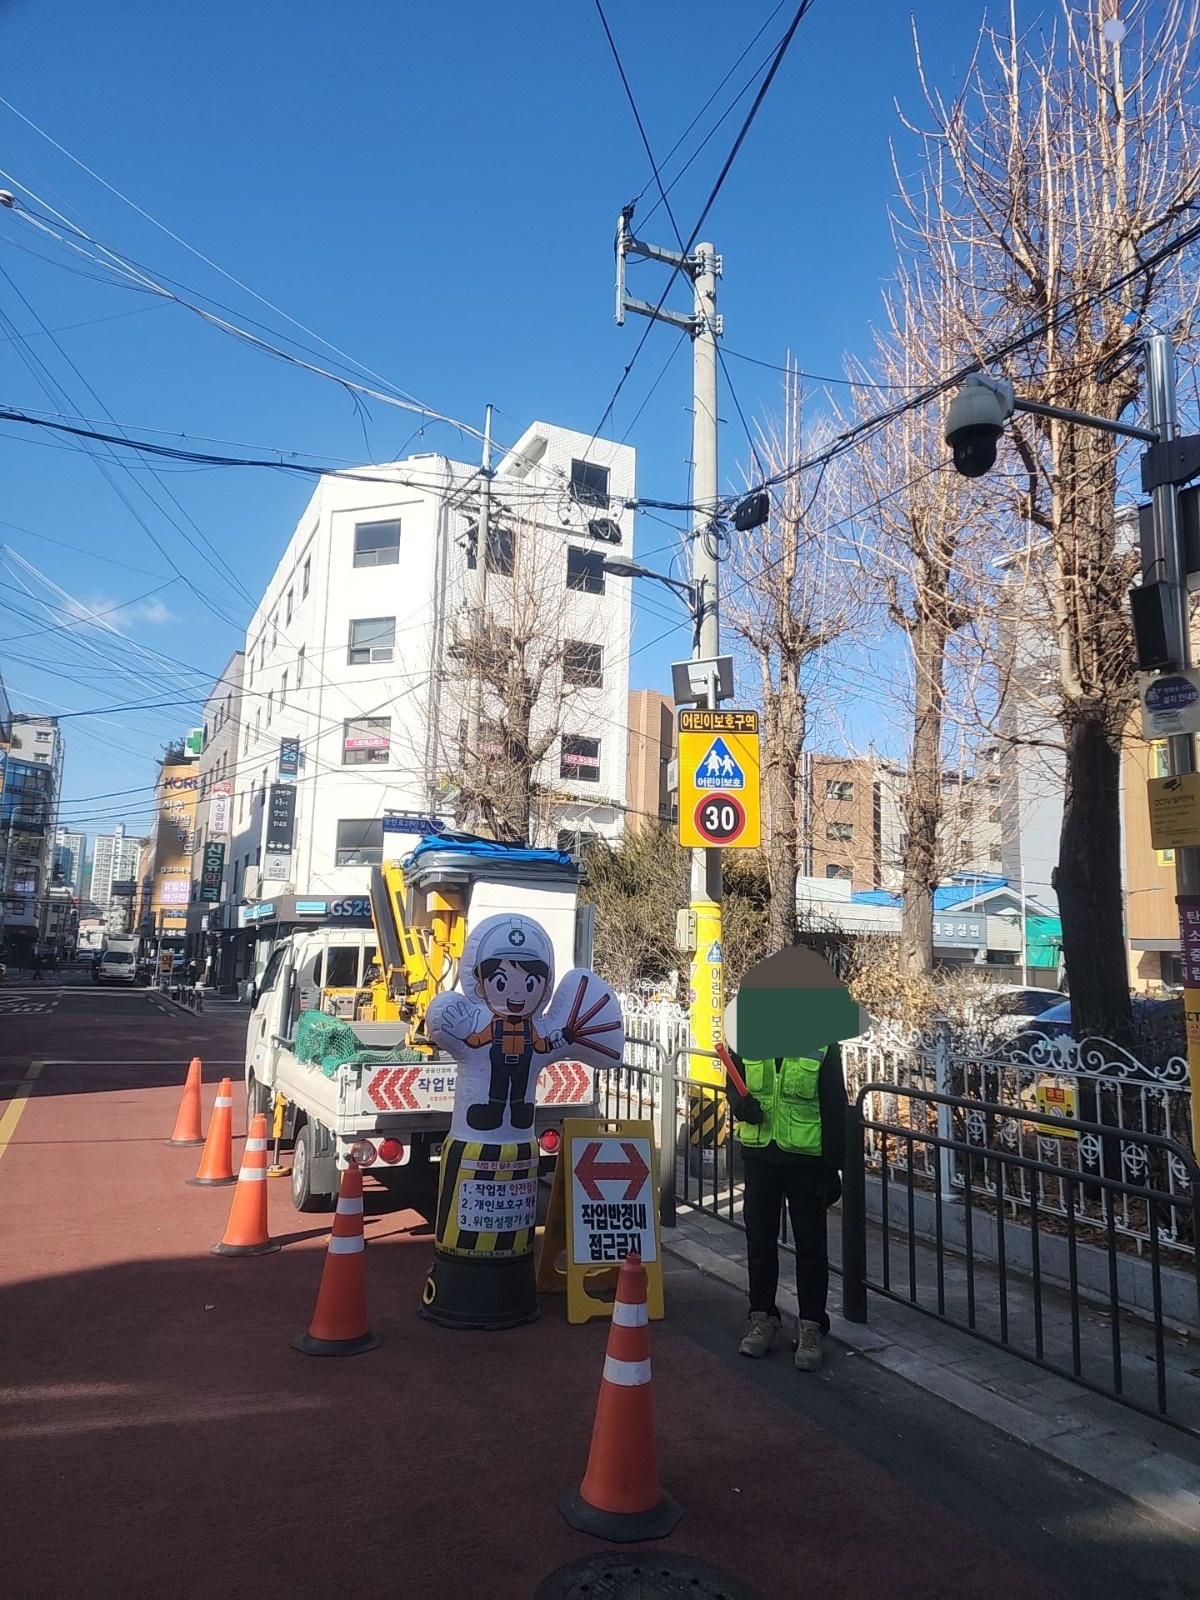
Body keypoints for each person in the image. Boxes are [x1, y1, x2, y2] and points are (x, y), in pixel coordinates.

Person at [724, 945, 860, 1374]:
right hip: (761, 1156)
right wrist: (738, 1105)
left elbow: (834, 1106)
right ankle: (762, 1318)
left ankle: (811, 1326)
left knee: (811, 1250)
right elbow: (736, 1082)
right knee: (759, 1242)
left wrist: (833, 1169)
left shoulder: (822, 1041)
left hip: (806, 1162)